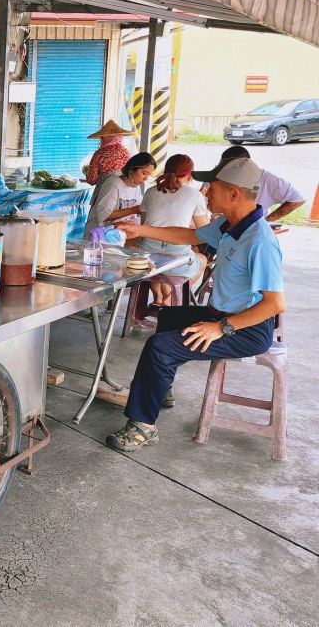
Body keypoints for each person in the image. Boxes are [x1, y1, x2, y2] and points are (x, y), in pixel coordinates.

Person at [107, 158, 284, 451]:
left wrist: (220, 328)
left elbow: (275, 304)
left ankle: (142, 427)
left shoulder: (260, 240)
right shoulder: (231, 224)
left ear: (234, 194)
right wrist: (142, 231)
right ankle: (159, 389)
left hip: (246, 328)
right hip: (222, 313)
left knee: (160, 347)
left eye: (211, 188)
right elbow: (190, 235)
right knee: (168, 319)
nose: (205, 193)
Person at [138, 154, 210, 307]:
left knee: (159, 263)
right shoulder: (195, 195)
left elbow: (145, 225)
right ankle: (171, 298)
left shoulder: (150, 192)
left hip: (146, 257)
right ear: (190, 175)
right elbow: (204, 232)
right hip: (175, 254)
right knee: (202, 259)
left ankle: (158, 298)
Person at [219, 145, 305, 222]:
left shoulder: (266, 179)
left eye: (230, 168)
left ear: (246, 166)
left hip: (253, 230)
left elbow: (297, 199)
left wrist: (266, 222)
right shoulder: (219, 176)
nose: (226, 172)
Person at [83, 152, 157, 238]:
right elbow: (104, 214)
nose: (146, 178)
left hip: (116, 236)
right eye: (144, 173)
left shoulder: (136, 187)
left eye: (149, 175)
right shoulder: (114, 184)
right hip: (98, 236)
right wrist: (134, 210)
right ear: (132, 169)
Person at [84, 119, 133, 188]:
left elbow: (91, 180)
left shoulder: (99, 154)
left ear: (104, 138)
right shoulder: (126, 152)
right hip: (122, 189)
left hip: (104, 189)